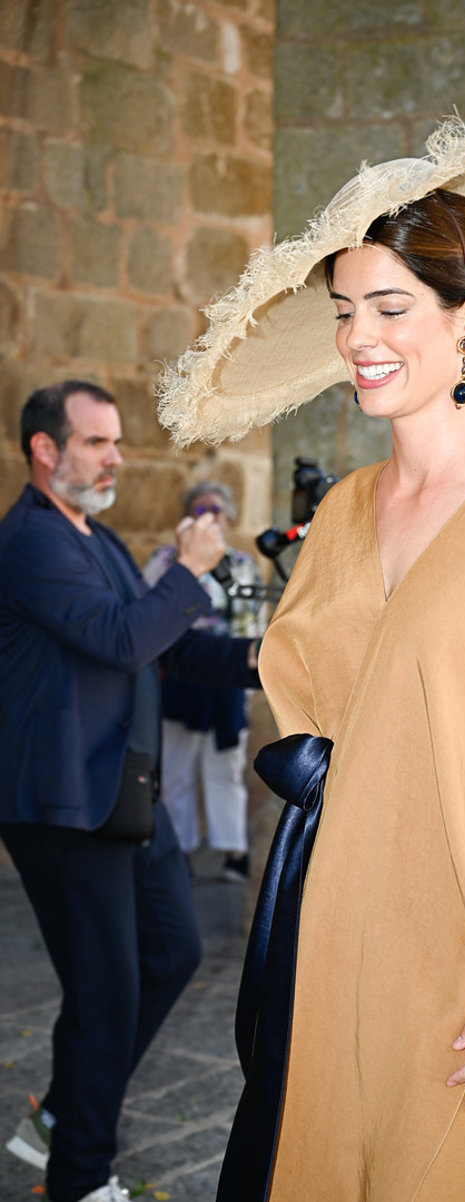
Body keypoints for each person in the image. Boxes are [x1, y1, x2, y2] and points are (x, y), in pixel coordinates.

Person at [159, 75, 465, 1201]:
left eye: (388, 308)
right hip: (326, 910)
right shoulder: (339, 512)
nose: (357, 339)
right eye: (344, 310)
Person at [0, 380, 261, 1202]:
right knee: (106, 991)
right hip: (65, 804)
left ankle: (61, 1116)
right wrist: (188, 570)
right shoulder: (32, 542)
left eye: (116, 441)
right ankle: (80, 1175)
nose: (116, 457)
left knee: (174, 952)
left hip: (124, 794)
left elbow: (166, 647)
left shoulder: (99, 538)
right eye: (97, 442)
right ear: (46, 450)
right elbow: (121, 639)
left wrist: (267, 659)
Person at [144, 481, 264, 881]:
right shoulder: (165, 560)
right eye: (200, 510)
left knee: (225, 767)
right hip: (180, 675)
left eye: (216, 510)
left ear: (228, 519)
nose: (209, 517)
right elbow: (149, 614)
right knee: (176, 768)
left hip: (226, 677)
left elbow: (252, 625)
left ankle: (233, 851)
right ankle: (179, 851)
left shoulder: (242, 564)